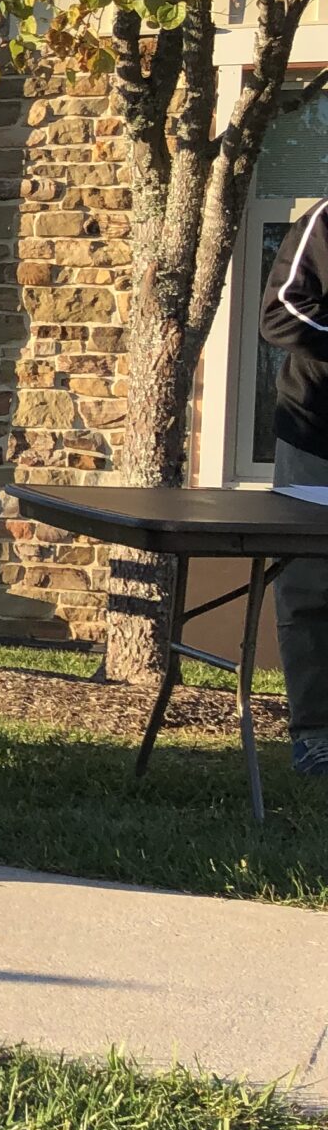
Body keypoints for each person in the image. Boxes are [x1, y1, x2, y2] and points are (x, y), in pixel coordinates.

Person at [260, 197, 328, 776]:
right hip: (316, 438)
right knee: (310, 590)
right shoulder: (326, 221)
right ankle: (314, 734)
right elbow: (280, 313)